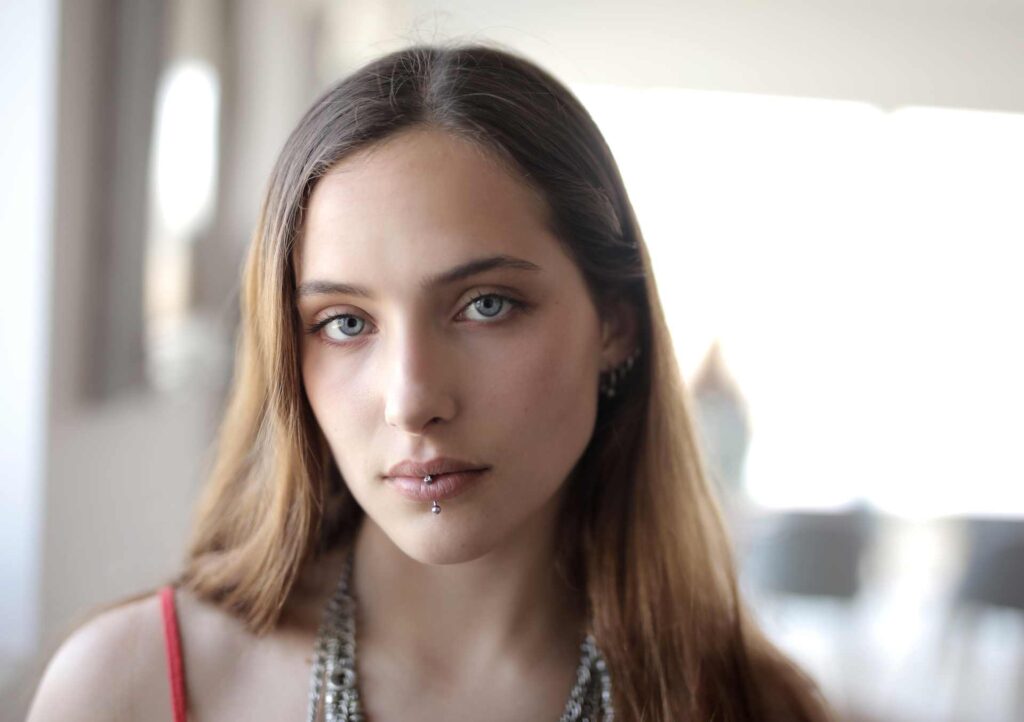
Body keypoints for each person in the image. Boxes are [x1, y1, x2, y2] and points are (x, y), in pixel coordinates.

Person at [27, 43, 834, 721]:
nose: (411, 399)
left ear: (615, 324)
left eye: (486, 305)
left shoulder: (753, 706)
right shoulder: (124, 689)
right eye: (346, 323)